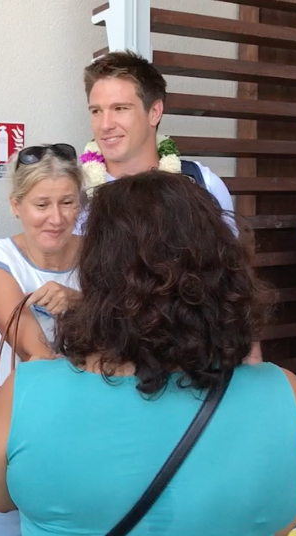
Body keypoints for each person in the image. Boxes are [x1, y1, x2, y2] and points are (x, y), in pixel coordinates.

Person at [0, 171, 296, 536]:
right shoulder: (285, 397)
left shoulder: (27, 390)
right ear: (225, 270)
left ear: (95, 274)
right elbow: (267, 534)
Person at [77, 50, 258, 362]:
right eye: (96, 111)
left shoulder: (200, 183)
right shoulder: (74, 192)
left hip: (193, 363)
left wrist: (251, 359)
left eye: (120, 108)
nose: (105, 124)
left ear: (154, 111)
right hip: (106, 365)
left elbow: (233, 280)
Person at [0, 144, 82, 536]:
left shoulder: (103, 257)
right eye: (41, 204)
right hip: (20, 441)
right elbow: (39, 359)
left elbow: (137, 333)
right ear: (15, 205)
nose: (55, 217)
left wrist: (82, 302)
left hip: (90, 441)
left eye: (67, 202)